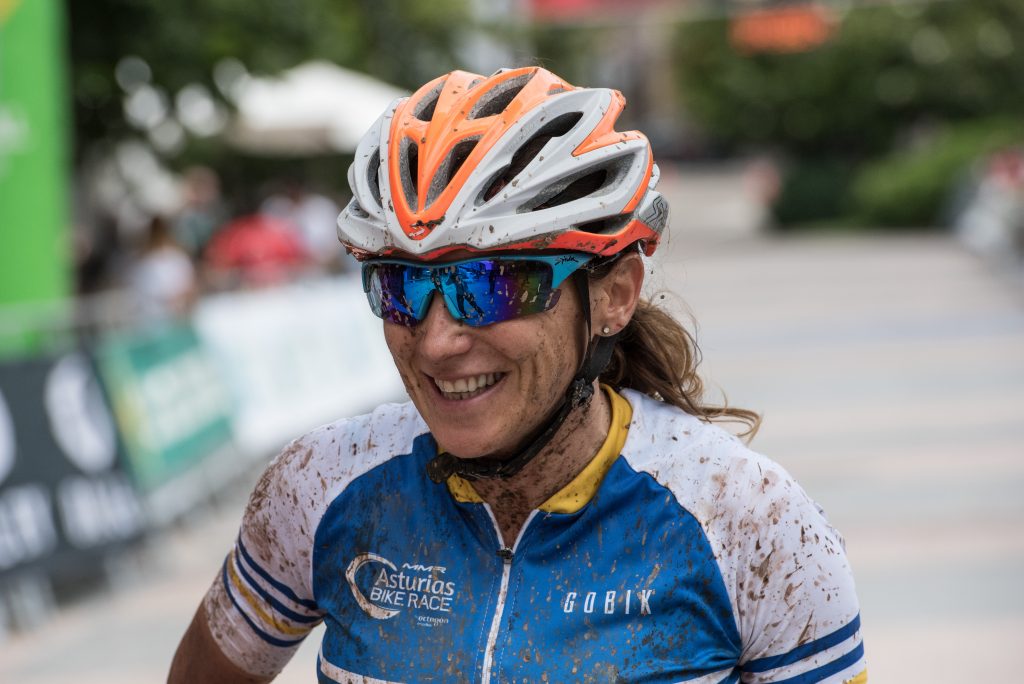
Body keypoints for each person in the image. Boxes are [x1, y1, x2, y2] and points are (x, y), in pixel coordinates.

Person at [170, 67, 867, 683]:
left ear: (615, 295)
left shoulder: (751, 521)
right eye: (401, 287)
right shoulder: (319, 487)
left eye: (494, 284)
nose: (437, 342)